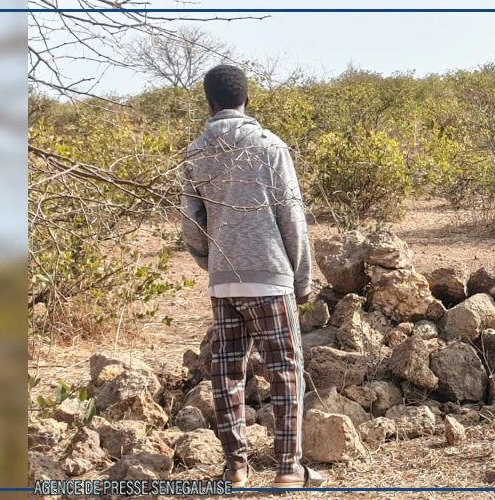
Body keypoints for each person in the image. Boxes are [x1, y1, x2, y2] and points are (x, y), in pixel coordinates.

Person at [180, 64, 323, 488]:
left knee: (226, 372)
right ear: (248, 98)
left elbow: (192, 223)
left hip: (224, 280)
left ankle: (236, 467)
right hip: (271, 278)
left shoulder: (195, 153)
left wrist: (214, 263)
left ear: (209, 102)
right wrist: (302, 279)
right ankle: (287, 469)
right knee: (285, 369)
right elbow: (291, 216)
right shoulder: (270, 146)